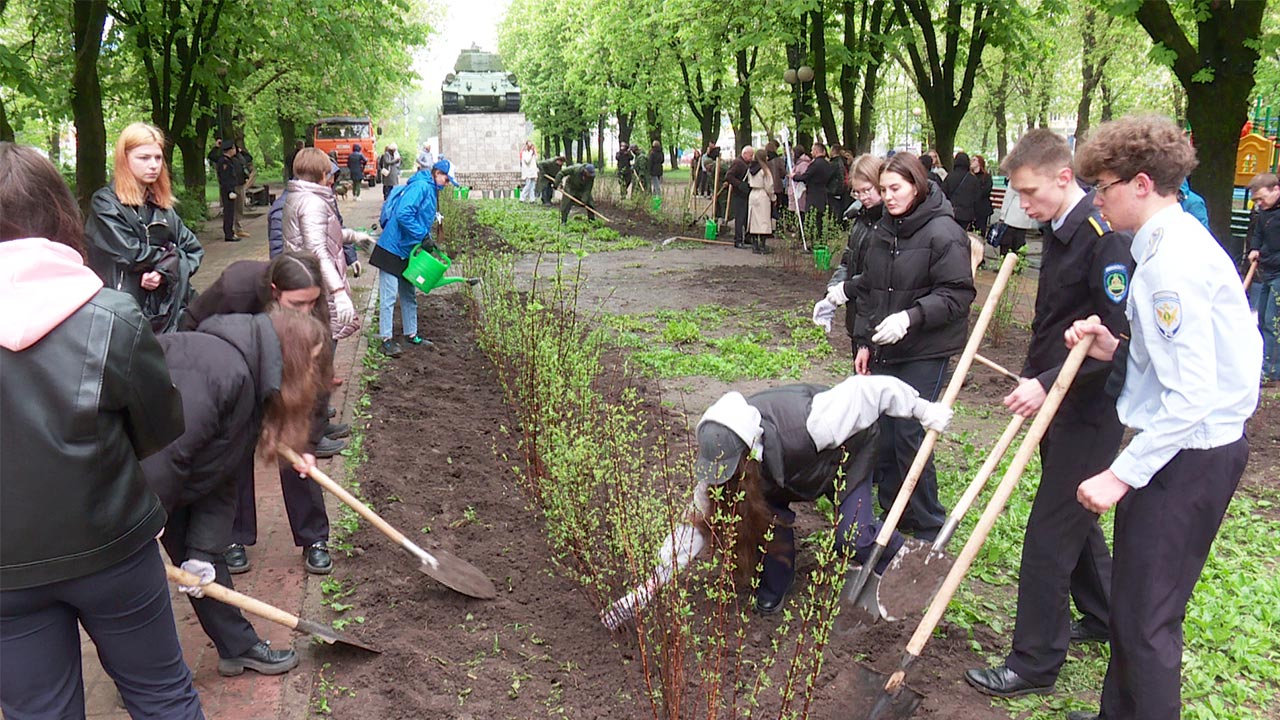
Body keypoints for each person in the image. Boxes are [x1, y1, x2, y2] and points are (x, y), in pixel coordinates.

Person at [1063, 115, 1260, 720]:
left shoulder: (1171, 262)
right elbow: (1178, 368)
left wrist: (1122, 473)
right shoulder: (1160, 249)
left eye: (1104, 186)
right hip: (1181, 444)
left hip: (1190, 456)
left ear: (1142, 183)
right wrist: (1113, 351)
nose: (1097, 198)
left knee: (1147, 621)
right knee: (1131, 607)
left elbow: (1193, 395)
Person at [0, 142, 204, 719]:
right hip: (111, 542)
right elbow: (158, 426)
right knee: (162, 693)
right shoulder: (110, 314)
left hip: (5, 569)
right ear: (58, 214)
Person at [963, 129, 1134, 699]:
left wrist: (1043, 382)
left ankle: (1034, 663)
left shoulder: (1101, 238)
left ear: (1065, 177)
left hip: (1087, 409)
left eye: (1030, 191)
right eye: (1016, 193)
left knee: (1047, 536)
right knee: (1075, 518)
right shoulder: (1058, 229)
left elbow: (1117, 339)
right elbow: (1058, 319)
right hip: (1054, 404)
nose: (1023, 204)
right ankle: (1106, 614)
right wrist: (1037, 379)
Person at [599, 375, 953, 626]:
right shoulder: (727, 462)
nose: (722, 476)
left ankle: (919, 560)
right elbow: (697, 523)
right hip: (785, 474)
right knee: (761, 518)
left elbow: (869, 390)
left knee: (853, 536)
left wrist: (922, 409)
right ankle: (776, 584)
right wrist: (649, 586)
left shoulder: (814, 421)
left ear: (747, 450)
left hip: (843, 457)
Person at [144, 310, 328, 677]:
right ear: (289, 355)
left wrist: (202, 552)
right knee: (133, 582)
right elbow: (166, 455)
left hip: (176, 476)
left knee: (204, 566)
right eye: (309, 362)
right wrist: (144, 520)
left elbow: (221, 476)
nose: (312, 373)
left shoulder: (251, 384)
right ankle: (145, 674)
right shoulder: (222, 370)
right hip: (136, 478)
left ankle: (237, 647)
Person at [827, 152, 976, 540]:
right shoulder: (886, 229)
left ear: (917, 185)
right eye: (883, 190)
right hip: (886, 347)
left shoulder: (944, 233)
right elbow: (874, 285)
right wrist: (857, 327)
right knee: (884, 430)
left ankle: (927, 522)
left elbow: (957, 295)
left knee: (910, 430)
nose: (888, 197)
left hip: (926, 348)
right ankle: (894, 509)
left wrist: (910, 317)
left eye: (895, 189)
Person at [179, 253, 344, 571]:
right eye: (297, 304)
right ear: (274, 290)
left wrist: (310, 442)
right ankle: (233, 536)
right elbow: (190, 327)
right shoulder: (235, 289)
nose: (306, 311)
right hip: (233, 375)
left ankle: (314, 537)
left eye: (312, 303)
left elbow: (320, 379)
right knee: (233, 454)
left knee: (298, 459)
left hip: (286, 376)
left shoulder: (313, 306)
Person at [85, 121, 205, 335]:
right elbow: (130, 252)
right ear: (125, 159)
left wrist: (163, 271)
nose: (153, 165)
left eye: (158, 158)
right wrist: (170, 257)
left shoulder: (163, 206)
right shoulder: (105, 203)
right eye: (144, 158)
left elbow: (193, 249)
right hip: (124, 312)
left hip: (169, 310)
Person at [370, 159, 452, 357]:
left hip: (408, 250)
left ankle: (411, 335)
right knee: (389, 296)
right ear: (437, 173)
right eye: (446, 179)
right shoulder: (421, 187)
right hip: (392, 247)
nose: (447, 183)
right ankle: (386, 340)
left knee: (408, 294)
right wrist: (422, 236)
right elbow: (403, 214)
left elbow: (421, 219)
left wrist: (428, 241)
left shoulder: (431, 189)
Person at [283, 147, 361, 342]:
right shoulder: (312, 203)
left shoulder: (296, 197)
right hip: (319, 289)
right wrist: (339, 292)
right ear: (322, 173)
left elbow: (320, 235)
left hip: (303, 281)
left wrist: (354, 236)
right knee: (322, 348)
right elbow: (317, 250)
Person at [814, 154, 885, 348]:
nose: (863, 197)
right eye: (857, 192)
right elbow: (848, 260)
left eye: (867, 190)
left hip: (880, 319)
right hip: (857, 316)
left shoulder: (889, 224)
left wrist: (844, 290)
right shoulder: (860, 219)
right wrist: (833, 291)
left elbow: (879, 274)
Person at [1248, 172, 1280, 384]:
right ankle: (1263, 363)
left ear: (1276, 190)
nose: (1259, 203)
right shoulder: (1262, 212)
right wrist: (1254, 248)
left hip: (1278, 271)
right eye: (1256, 200)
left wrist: (1268, 255)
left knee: (1272, 320)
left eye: (1262, 198)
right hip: (1266, 270)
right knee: (1260, 319)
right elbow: (1258, 234)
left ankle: (1271, 370)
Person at [792, 142, 836, 237]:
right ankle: (820, 238)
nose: (811, 152)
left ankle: (813, 239)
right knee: (820, 219)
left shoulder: (815, 164)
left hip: (813, 194)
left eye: (812, 150)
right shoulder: (828, 164)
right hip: (823, 193)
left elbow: (805, 177)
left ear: (816, 151)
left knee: (812, 218)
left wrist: (794, 176)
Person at [942, 151, 983, 232]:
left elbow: (943, 193)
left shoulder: (950, 177)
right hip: (966, 214)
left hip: (951, 211)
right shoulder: (973, 179)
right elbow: (977, 198)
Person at [723, 146, 755, 249]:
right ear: (744, 154)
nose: (752, 157)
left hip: (745, 193)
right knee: (740, 218)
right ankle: (738, 240)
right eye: (750, 155)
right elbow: (728, 176)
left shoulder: (745, 164)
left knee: (746, 216)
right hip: (739, 194)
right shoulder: (738, 163)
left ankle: (747, 237)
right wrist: (739, 184)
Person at [745, 150, 775, 254]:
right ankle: (762, 245)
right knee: (763, 220)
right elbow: (769, 185)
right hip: (762, 194)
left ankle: (755, 245)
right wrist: (773, 197)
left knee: (753, 220)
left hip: (753, 193)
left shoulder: (751, 169)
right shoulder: (765, 170)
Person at [994, 184, 1037, 256]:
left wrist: (1002, 215)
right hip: (1024, 217)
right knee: (1019, 243)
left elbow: (1008, 197)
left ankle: (1005, 262)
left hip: (1012, 216)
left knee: (1007, 244)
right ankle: (1019, 263)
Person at [216, 141, 240, 242]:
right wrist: (230, 191)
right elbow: (225, 178)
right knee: (228, 212)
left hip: (230, 188)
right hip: (227, 190)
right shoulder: (224, 161)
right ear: (230, 150)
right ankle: (228, 234)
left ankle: (230, 232)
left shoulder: (229, 160)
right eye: (234, 148)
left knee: (231, 211)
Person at [970, 154, 994, 236]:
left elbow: (986, 190)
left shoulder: (986, 177)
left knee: (980, 230)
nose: (972, 162)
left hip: (982, 207)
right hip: (971, 206)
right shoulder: (969, 176)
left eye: (974, 160)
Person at [232, 142, 253, 238]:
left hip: (241, 184)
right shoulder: (228, 159)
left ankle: (238, 228)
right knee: (234, 207)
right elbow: (213, 156)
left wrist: (241, 151)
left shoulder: (239, 157)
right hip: (234, 185)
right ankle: (235, 228)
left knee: (240, 207)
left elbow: (249, 157)